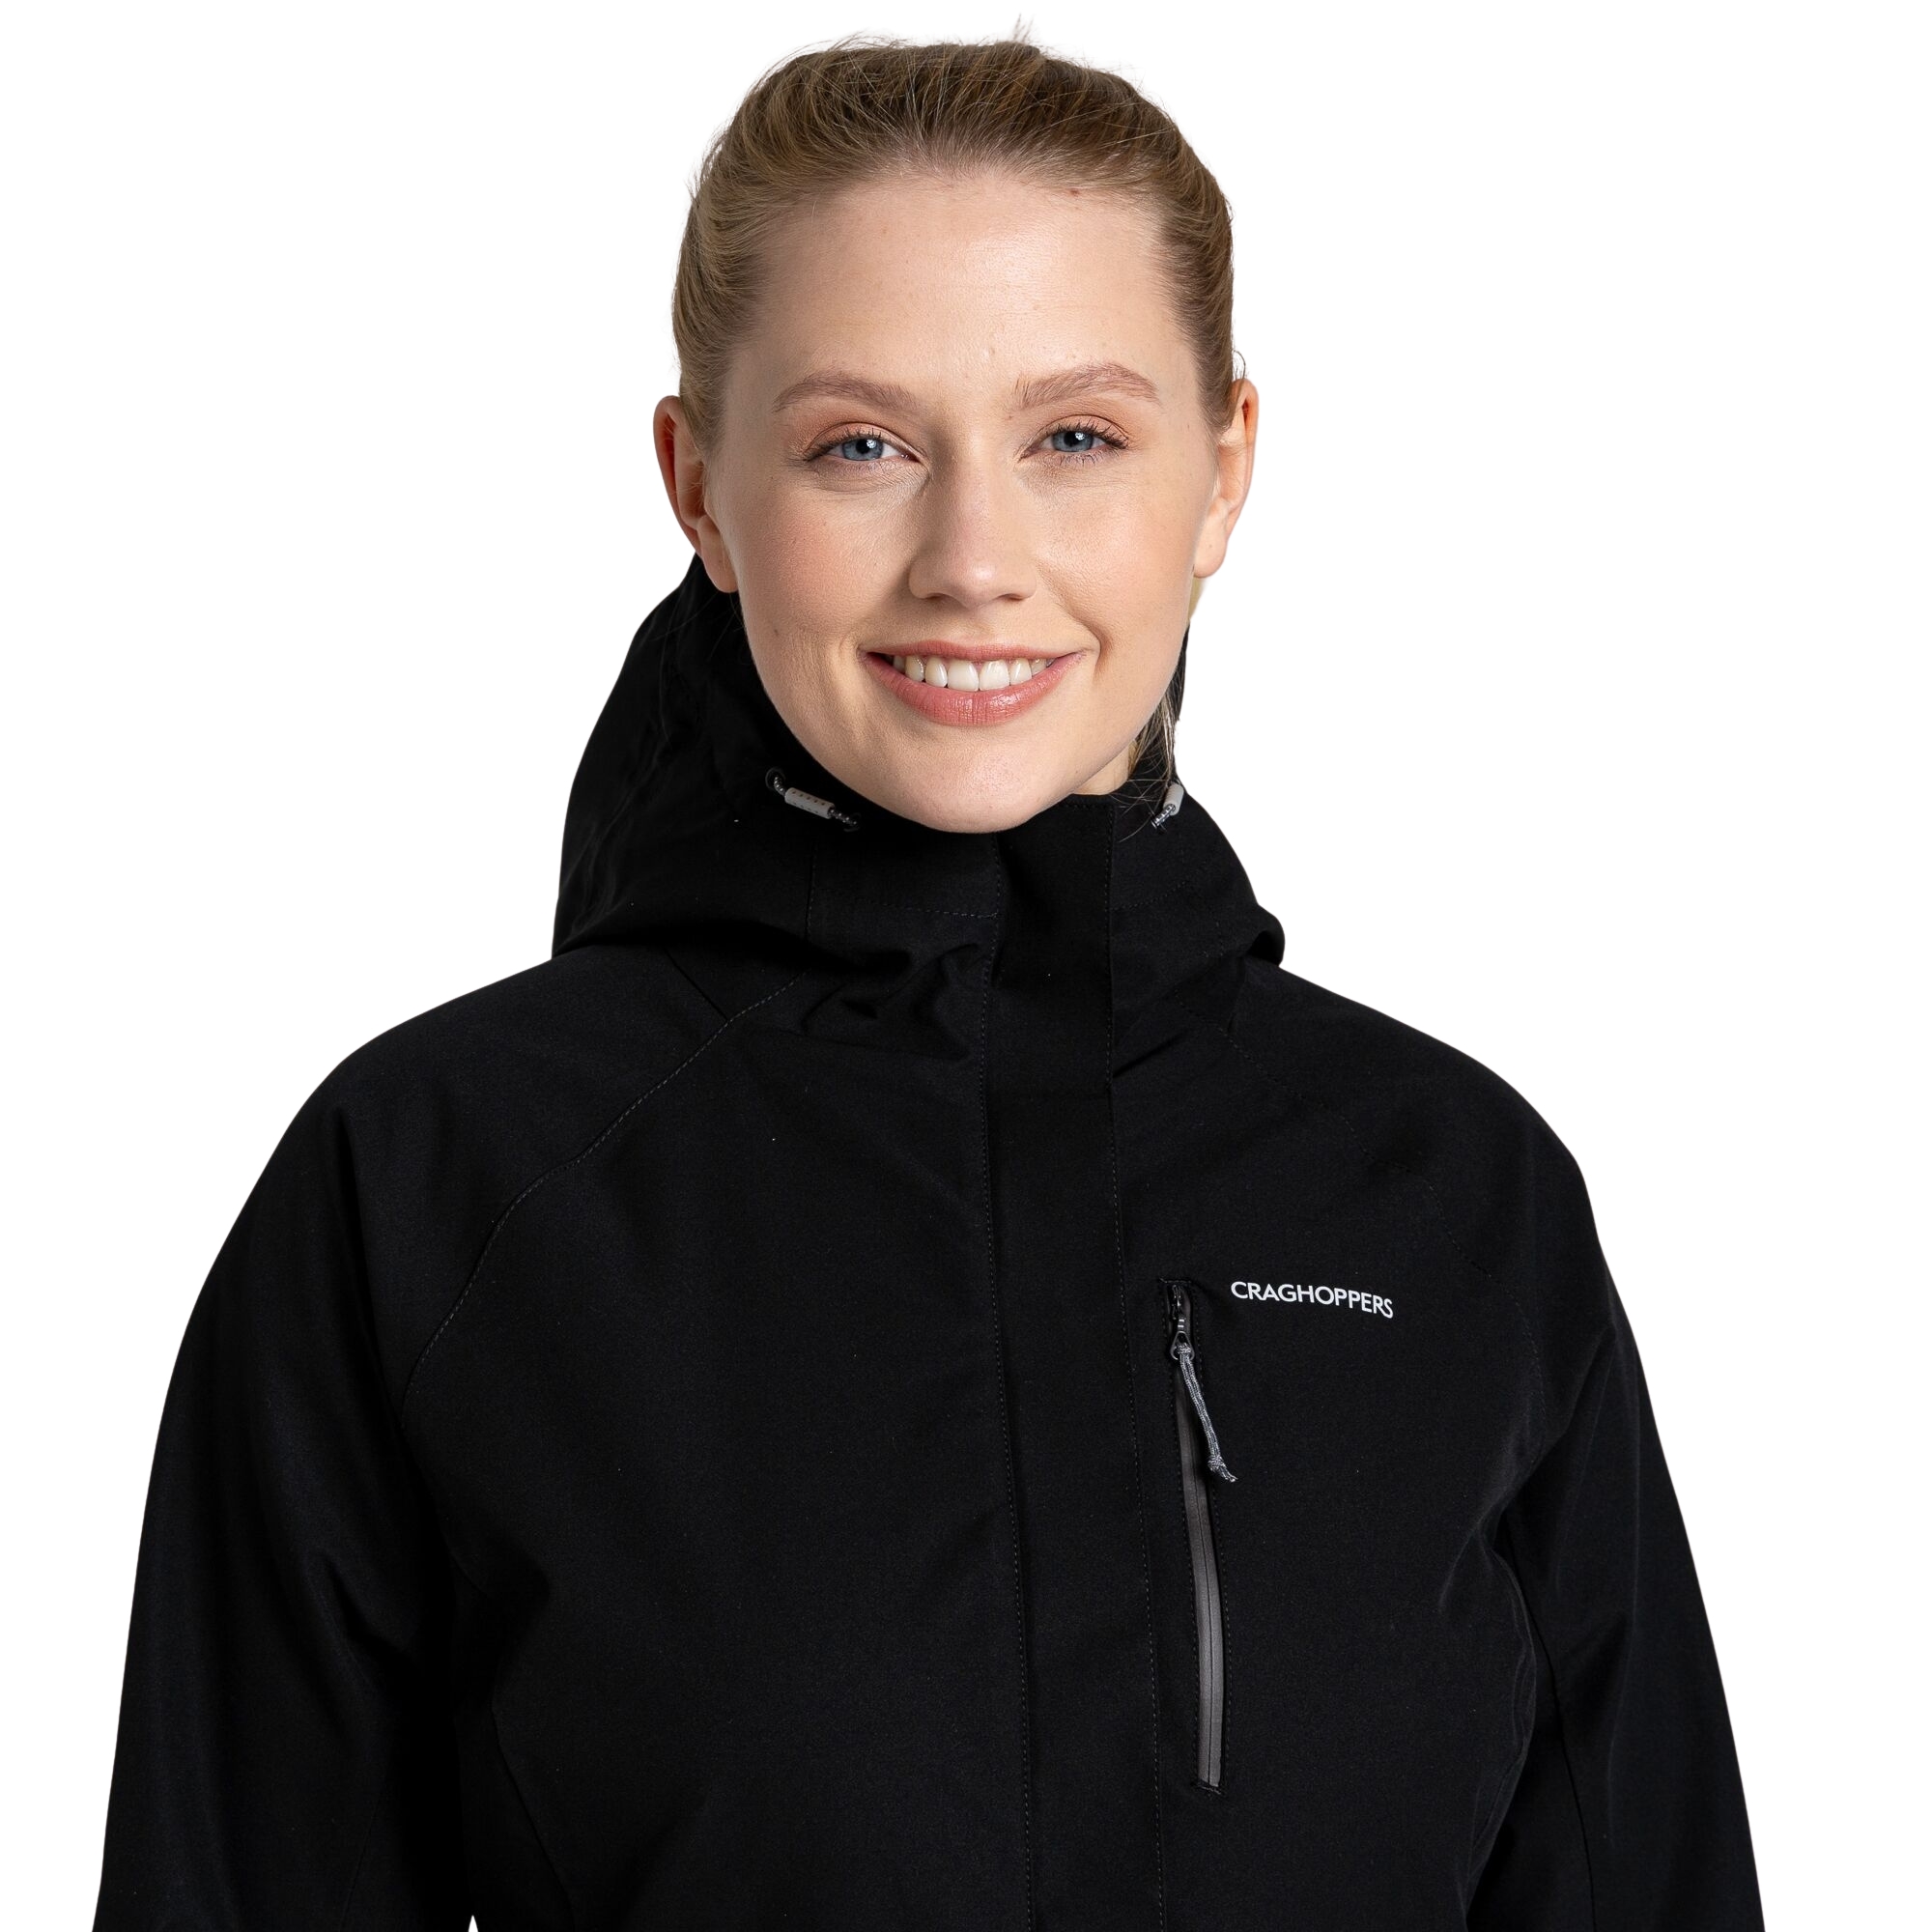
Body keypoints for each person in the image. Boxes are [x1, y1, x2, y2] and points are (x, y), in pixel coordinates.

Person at [90, 32, 1765, 1930]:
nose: (974, 560)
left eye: (1077, 438)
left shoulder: (1454, 1193)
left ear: (1222, 472)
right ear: (699, 488)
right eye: (861, 447)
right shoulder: (435, 1188)